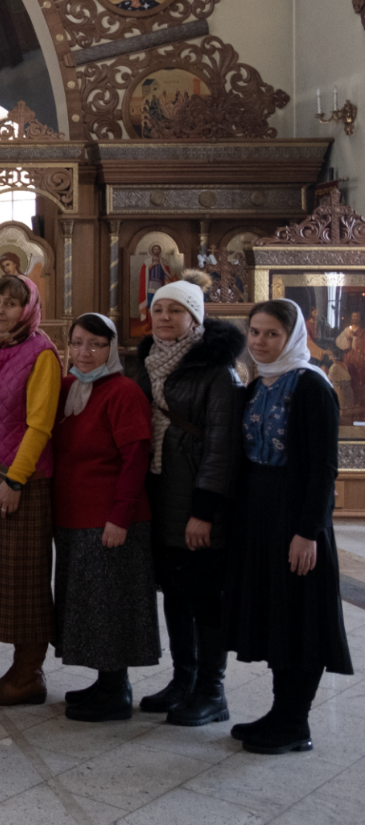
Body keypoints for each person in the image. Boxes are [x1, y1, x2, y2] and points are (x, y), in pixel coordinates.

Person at [226, 300, 353, 753]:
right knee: (276, 614)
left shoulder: (312, 385)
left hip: (296, 515)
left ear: (293, 336)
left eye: (272, 334)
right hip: (260, 511)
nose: (260, 341)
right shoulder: (257, 383)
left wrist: (308, 531)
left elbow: (323, 468)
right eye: (255, 332)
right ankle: (280, 713)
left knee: (301, 616)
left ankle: (296, 723)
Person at [127, 272, 244, 726]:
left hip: (197, 500)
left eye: (175, 310)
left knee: (205, 596)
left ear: (195, 318)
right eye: (158, 309)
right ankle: (183, 680)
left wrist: (204, 511)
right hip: (161, 494)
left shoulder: (217, 370)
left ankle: (212, 691)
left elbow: (222, 447)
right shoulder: (149, 362)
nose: (164, 317)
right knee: (175, 591)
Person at [52, 314, 160, 722]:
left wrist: (120, 517)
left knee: (111, 606)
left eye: (96, 344)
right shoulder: (68, 387)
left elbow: (136, 460)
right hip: (74, 516)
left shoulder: (123, 392)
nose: (85, 352)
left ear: (111, 349)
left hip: (110, 519)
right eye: (78, 342)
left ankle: (116, 691)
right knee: (89, 605)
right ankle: (104, 682)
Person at [0, 273, 61, 706]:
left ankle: (29, 675)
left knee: (26, 582)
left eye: (11, 303)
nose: (1, 310)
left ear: (29, 309)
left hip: (22, 484)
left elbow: (40, 426)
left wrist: (16, 480)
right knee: (5, 581)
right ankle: (21, 669)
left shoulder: (41, 353)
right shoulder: (0, 349)